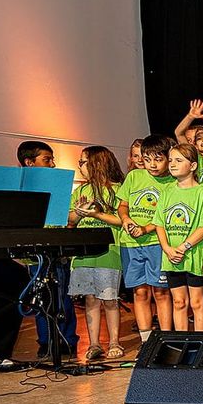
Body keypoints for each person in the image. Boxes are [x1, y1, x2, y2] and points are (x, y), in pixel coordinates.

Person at [18, 140, 79, 357]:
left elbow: (69, 218)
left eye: (52, 159)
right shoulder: (21, 189)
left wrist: (78, 214)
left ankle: (67, 340)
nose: (52, 164)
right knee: (40, 299)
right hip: (35, 256)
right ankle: (46, 341)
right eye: (47, 159)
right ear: (29, 162)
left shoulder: (59, 188)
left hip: (57, 251)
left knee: (62, 295)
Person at [117, 134, 176, 342]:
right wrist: (125, 219)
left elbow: (166, 216)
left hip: (156, 243)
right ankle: (146, 340)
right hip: (130, 244)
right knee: (140, 292)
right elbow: (122, 204)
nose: (152, 164)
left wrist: (146, 229)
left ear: (169, 158)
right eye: (147, 158)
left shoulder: (172, 183)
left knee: (161, 291)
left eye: (158, 159)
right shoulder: (134, 177)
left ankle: (165, 339)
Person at [68, 146, 125, 361]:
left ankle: (114, 341)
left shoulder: (118, 189)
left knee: (109, 298)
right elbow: (70, 221)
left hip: (108, 252)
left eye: (83, 162)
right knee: (91, 299)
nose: (80, 166)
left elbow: (122, 220)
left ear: (97, 163)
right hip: (83, 253)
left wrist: (98, 214)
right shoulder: (80, 191)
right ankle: (93, 344)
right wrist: (79, 214)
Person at [152, 143, 203, 332]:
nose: (172, 164)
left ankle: (199, 343)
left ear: (193, 165)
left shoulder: (202, 192)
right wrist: (168, 248)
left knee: (197, 303)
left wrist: (184, 247)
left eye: (179, 160)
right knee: (179, 302)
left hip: (193, 255)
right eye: (171, 160)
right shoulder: (167, 191)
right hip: (171, 257)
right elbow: (159, 223)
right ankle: (181, 344)